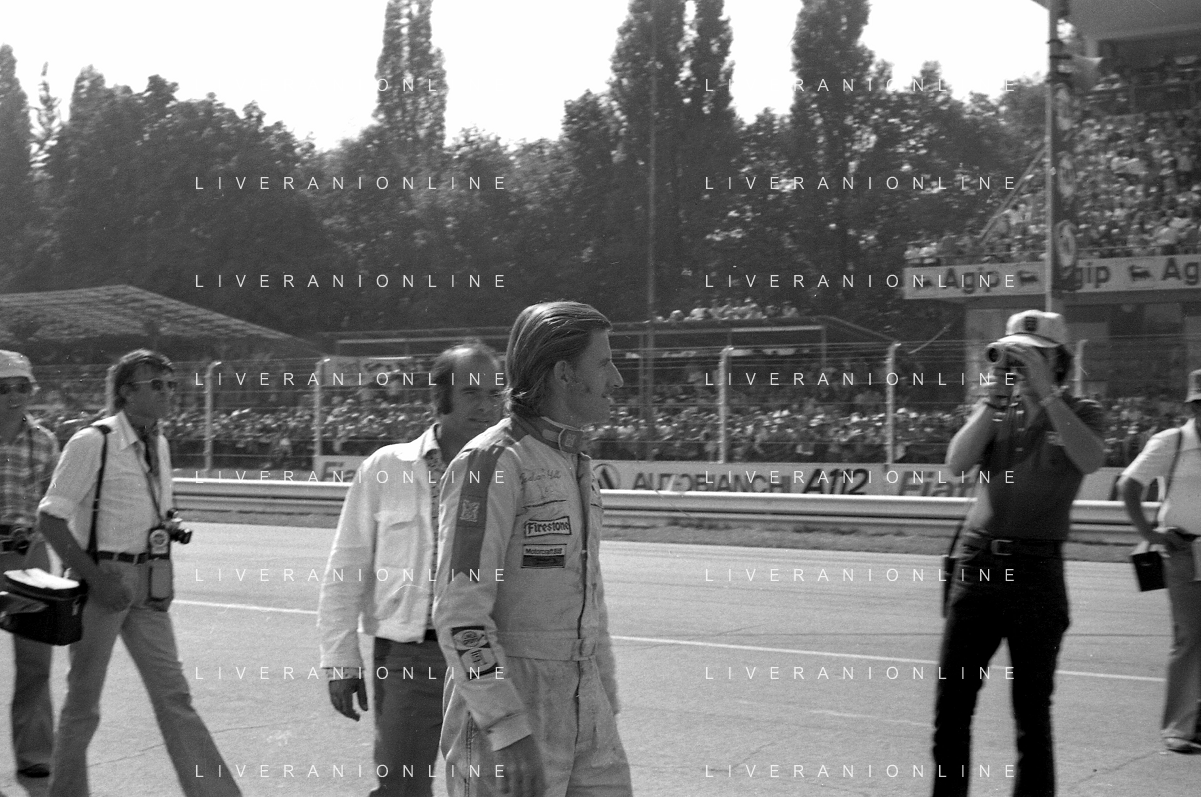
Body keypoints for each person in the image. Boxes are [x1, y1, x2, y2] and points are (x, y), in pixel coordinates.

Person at [435, 301, 632, 797]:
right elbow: (460, 614)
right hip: (510, 719)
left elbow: (589, 601)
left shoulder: (575, 463)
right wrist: (505, 725)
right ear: (565, 373)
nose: (617, 379)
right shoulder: (491, 462)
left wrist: (604, 700)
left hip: (587, 709)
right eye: (604, 362)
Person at [35, 350, 241, 797]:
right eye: (157, 386)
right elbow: (50, 519)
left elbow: (157, 511)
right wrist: (98, 580)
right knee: (84, 703)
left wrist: (169, 528)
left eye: (171, 385)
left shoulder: (159, 443)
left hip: (149, 580)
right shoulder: (93, 442)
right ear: (127, 392)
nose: (169, 393)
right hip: (101, 580)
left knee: (175, 696)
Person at [317, 342, 504, 796]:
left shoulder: (511, 469)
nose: (486, 405)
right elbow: (347, 567)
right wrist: (340, 661)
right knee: (402, 788)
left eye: (494, 393)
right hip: (409, 658)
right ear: (439, 398)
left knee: (490, 788)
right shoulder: (386, 467)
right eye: (471, 392)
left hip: (491, 657)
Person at [932, 310, 1106, 797]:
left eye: (1031, 356)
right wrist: (992, 399)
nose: (1018, 365)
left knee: (1031, 712)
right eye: (1013, 355)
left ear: (1058, 361)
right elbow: (956, 462)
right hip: (979, 563)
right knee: (952, 706)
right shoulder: (996, 411)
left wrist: (1047, 396)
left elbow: (1091, 458)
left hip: (1035, 570)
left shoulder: (1082, 411)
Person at [1117, 368, 1201, 753]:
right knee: (1190, 636)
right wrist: (1149, 534)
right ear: (1193, 406)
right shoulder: (1172, 442)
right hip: (1185, 551)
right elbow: (1129, 485)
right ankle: (1178, 727)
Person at [0, 350, 60, 779]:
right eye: (3, 388)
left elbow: (54, 504)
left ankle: (35, 752)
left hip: (29, 554)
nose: (14, 395)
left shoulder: (45, 441)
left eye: (22, 386)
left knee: (36, 661)